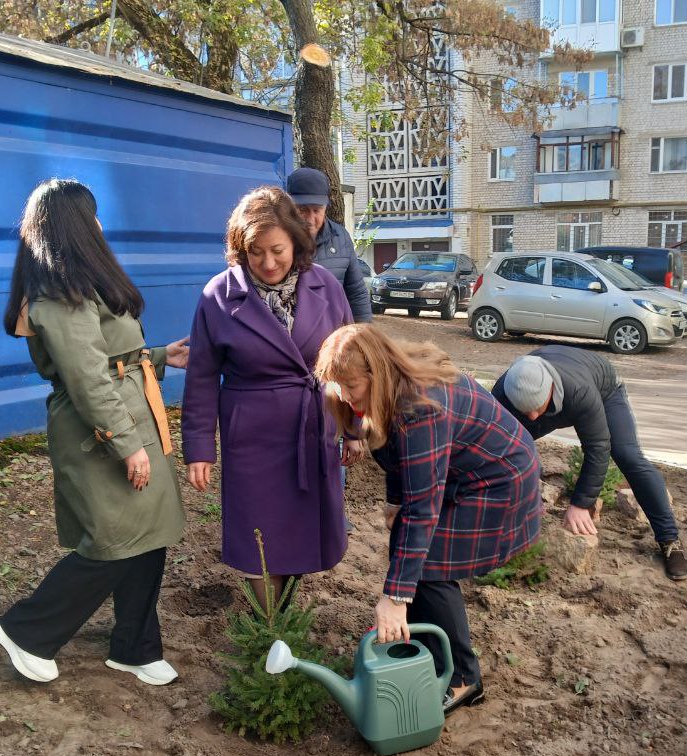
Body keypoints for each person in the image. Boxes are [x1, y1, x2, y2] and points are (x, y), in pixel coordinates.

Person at [0, 179, 188, 686]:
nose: (101, 225)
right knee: (112, 540)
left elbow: (112, 355)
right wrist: (127, 445)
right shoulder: (58, 295)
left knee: (149, 535)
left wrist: (163, 356)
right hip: (100, 431)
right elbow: (86, 377)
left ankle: (135, 647)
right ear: (75, 225)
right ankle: (29, 632)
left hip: (129, 416)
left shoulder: (80, 283)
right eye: (93, 216)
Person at [314, 325, 543, 713]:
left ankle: (463, 679)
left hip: (499, 481)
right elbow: (397, 453)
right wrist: (393, 502)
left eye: (351, 385)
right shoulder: (387, 389)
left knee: (431, 564)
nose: (344, 395)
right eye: (337, 386)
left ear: (376, 373)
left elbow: (424, 509)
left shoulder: (418, 407)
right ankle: (427, 649)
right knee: (410, 554)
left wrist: (394, 597)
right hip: (464, 475)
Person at [182, 186, 361, 608]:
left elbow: (350, 364)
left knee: (300, 532)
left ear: (296, 242)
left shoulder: (326, 287)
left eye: (277, 250)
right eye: (255, 252)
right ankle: (270, 628)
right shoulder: (218, 296)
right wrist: (199, 449)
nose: (267, 263)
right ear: (240, 250)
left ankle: (286, 616)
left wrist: (353, 428)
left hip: (313, 429)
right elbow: (202, 376)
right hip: (253, 439)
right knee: (258, 535)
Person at [491, 347, 687, 581]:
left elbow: (598, 448)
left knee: (627, 455)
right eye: (526, 410)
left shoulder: (580, 392)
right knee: (507, 445)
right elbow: (494, 445)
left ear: (550, 389)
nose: (533, 417)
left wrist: (580, 503)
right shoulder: (503, 392)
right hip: (555, 391)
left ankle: (669, 540)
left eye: (537, 407)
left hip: (604, 391)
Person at [285, 167, 372, 323]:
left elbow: (356, 292)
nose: (310, 219)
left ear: (325, 208)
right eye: (302, 210)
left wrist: (364, 333)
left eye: (317, 210)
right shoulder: (278, 241)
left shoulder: (341, 237)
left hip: (333, 336)